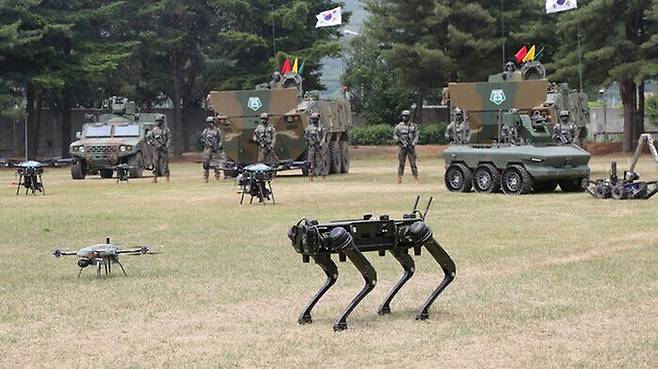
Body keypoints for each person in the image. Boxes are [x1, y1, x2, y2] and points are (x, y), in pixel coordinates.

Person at [393, 110, 419, 183]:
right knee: (401, 164)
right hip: (402, 147)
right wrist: (399, 140)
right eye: (404, 116)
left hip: (410, 147)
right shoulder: (398, 126)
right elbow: (395, 135)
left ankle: (415, 178)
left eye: (406, 116)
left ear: (409, 117)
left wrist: (413, 143)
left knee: (413, 164)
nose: (405, 117)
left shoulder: (413, 126)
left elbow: (416, 135)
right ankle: (399, 179)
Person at [147, 114, 171, 182]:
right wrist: (155, 143)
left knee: (165, 163)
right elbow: (150, 138)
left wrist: (166, 146)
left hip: (163, 149)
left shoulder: (166, 130)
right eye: (157, 121)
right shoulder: (154, 130)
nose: (158, 122)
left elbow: (169, 138)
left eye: (159, 121)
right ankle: (155, 178)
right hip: (156, 149)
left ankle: (167, 177)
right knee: (155, 163)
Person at [201, 116, 224, 182]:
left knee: (216, 164)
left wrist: (219, 144)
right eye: (209, 122)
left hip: (215, 149)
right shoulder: (206, 131)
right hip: (207, 149)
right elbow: (203, 139)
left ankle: (217, 177)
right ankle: (206, 178)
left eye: (211, 122)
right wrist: (207, 143)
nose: (210, 124)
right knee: (206, 164)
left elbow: (221, 139)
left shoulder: (217, 130)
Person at [304, 112, 327, 181]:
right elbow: (306, 137)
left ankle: (323, 176)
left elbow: (324, 137)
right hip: (311, 147)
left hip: (319, 146)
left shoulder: (321, 127)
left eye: (315, 119)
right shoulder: (308, 128)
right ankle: (311, 176)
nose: (314, 120)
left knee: (320, 161)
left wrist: (320, 144)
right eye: (313, 119)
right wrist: (311, 142)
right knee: (311, 162)